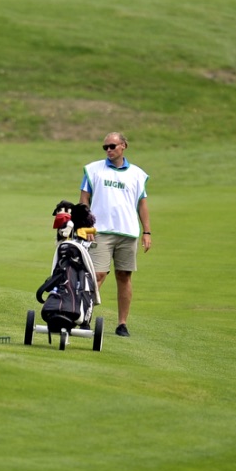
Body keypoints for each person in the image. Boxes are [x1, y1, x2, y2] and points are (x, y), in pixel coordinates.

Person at [78, 132, 151, 337]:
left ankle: (122, 324)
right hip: (99, 231)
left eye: (112, 146)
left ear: (124, 146)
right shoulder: (93, 170)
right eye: (105, 147)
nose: (108, 150)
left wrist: (147, 231)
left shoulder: (137, 174)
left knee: (124, 275)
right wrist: (86, 226)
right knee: (96, 275)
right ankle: (85, 317)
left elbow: (142, 204)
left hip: (127, 232)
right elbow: (84, 199)